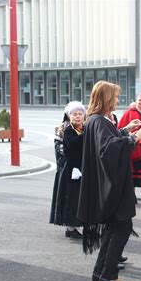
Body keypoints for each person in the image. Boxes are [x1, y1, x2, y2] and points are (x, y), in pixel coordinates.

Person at [77, 81, 141, 281]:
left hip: (107, 185)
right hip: (112, 187)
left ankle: (100, 273)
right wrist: (134, 138)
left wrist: (125, 132)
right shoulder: (99, 120)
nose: (118, 100)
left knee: (114, 228)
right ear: (106, 98)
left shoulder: (95, 120)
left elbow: (109, 141)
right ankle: (109, 275)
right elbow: (108, 150)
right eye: (115, 97)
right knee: (122, 227)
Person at [50, 102, 85, 238]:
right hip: (70, 167)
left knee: (78, 196)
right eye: (74, 114)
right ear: (68, 115)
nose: (77, 116)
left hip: (79, 166)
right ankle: (71, 227)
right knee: (71, 196)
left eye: (80, 114)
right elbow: (68, 148)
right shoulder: (67, 129)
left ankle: (74, 225)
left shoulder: (83, 128)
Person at [118, 94, 141, 199]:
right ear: (136, 101)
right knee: (132, 170)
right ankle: (132, 193)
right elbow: (121, 128)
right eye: (139, 100)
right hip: (133, 145)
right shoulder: (129, 113)